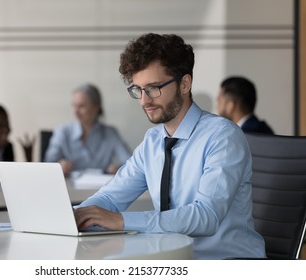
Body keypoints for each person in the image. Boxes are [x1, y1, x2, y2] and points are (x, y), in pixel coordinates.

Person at [74, 33, 266, 259]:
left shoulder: (223, 137)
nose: (144, 100)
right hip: (171, 260)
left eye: (154, 88)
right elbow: (109, 198)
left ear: (184, 84)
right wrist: (73, 216)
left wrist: (119, 221)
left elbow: (206, 216)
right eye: (138, 90)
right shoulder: (153, 141)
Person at [44, 83, 131, 176]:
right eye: (74, 106)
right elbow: (48, 164)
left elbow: (130, 162)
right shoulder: (63, 131)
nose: (76, 111)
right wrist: (60, 165)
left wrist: (118, 168)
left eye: (81, 106)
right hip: (69, 187)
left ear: (96, 108)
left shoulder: (110, 133)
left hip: (100, 187)